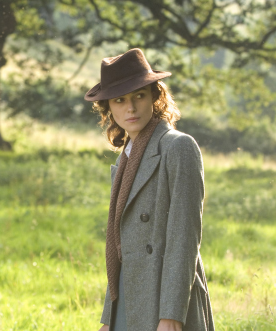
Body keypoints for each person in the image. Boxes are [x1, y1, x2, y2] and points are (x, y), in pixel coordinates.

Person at [84, 48, 214, 331]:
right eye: (120, 100)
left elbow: (184, 238)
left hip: (166, 299)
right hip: (128, 301)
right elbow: (120, 248)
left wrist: (172, 314)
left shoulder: (178, 147)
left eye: (139, 96)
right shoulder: (124, 161)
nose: (130, 108)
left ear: (155, 97)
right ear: (109, 108)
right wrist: (109, 316)